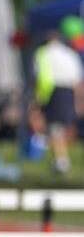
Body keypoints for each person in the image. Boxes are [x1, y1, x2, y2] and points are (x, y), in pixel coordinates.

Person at [34, 21, 83, 175]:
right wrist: (78, 102)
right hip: (68, 91)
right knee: (64, 126)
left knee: (55, 128)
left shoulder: (42, 52)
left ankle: (61, 160)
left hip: (52, 91)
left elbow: (39, 76)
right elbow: (77, 81)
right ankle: (60, 158)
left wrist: (37, 98)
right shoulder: (70, 53)